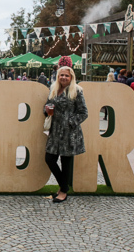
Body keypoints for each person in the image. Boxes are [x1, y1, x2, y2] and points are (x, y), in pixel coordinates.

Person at [43, 66, 88, 203]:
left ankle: (63, 191)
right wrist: (47, 111)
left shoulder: (77, 91)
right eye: (61, 75)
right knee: (49, 159)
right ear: (58, 76)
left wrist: (70, 122)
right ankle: (64, 186)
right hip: (55, 130)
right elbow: (48, 105)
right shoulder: (54, 89)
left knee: (66, 161)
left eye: (66, 76)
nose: (63, 77)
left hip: (69, 132)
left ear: (71, 77)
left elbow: (83, 112)